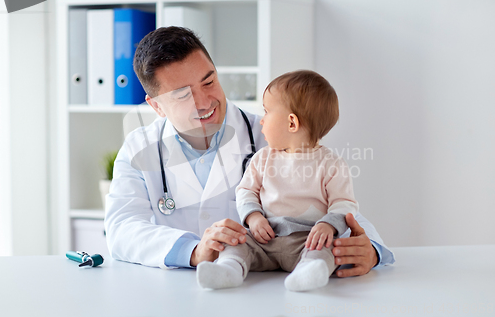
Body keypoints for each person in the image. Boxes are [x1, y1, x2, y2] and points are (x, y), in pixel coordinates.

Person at [104, 26, 395, 277]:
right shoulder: (139, 148)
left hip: (268, 295)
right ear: (155, 106)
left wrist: (372, 250)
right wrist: (194, 250)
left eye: (209, 81)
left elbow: (337, 202)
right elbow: (123, 228)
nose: (205, 102)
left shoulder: (272, 134)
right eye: (183, 95)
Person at [197, 70, 359, 291]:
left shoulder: (332, 164)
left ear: (291, 123)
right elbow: (246, 191)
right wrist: (253, 217)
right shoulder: (263, 158)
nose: (261, 120)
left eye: (267, 112)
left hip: (307, 240)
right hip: (264, 237)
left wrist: (327, 225)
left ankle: (309, 271)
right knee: (236, 241)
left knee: (326, 247)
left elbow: (344, 204)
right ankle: (229, 270)